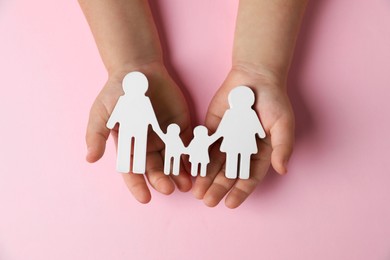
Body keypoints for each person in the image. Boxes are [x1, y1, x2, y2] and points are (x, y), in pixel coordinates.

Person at [79, 0, 308, 208]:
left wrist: (260, 68)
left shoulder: (245, 114)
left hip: (224, 140)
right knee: (136, 150)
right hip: (140, 130)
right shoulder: (133, 101)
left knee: (236, 162)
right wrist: (129, 62)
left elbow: (229, 128)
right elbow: (224, 128)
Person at [106, 71, 163, 174]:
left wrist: (157, 128)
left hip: (138, 129)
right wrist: (111, 122)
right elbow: (117, 112)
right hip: (131, 128)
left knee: (138, 147)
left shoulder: (144, 100)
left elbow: (151, 116)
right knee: (128, 146)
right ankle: (125, 165)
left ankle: (137, 166)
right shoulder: (125, 99)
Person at [211, 86, 266, 180]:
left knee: (239, 156)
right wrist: (261, 134)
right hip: (242, 141)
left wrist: (216, 136)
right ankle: (233, 172)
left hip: (237, 141)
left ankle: (240, 173)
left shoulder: (248, 113)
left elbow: (223, 128)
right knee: (235, 156)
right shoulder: (238, 113)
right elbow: (223, 127)